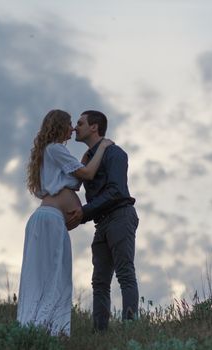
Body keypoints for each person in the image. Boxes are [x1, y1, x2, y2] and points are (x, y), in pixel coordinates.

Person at [17, 109, 113, 336]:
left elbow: (76, 180)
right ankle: (41, 331)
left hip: (50, 220)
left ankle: (46, 330)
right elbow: (88, 174)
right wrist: (103, 147)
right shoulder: (55, 149)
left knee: (51, 276)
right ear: (59, 125)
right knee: (50, 277)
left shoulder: (52, 153)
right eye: (70, 124)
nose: (72, 129)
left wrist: (85, 160)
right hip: (49, 219)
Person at [67, 110, 140, 331]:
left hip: (120, 216)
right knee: (99, 282)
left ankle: (130, 332)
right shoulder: (88, 159)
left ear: (94, 127)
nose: (74, 128)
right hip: (101, 223)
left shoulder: (115, 153)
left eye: (80, 123)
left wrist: (84, 212)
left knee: (125, 273)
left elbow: (116, 191)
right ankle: (99, 333)